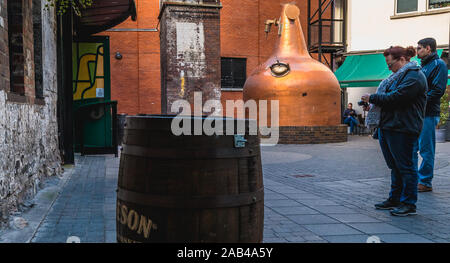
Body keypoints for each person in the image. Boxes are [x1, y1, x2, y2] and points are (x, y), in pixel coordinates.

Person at [361, 46, 427, 216]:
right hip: (390, 126)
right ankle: (395, 199)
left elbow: (398, 98)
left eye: (390, 64)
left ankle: (408, 203)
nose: (389, 68)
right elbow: (390, 101)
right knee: (395, 167)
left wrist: (373, 98)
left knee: (406, 166)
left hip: (403, 128)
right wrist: (374, 105)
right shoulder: (396, 76)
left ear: (403, 60)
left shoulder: (414, 76)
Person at [413, 38, 448, 192]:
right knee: (413, 147)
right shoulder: (423, 65)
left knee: (426, 149)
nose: (417, 51)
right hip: (416, 113)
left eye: (419, 48)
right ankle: (413, 179)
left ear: (428, 48)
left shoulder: (439, 64)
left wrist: (418, 101)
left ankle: (425, 182)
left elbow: (438, 91)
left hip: (428, 113)